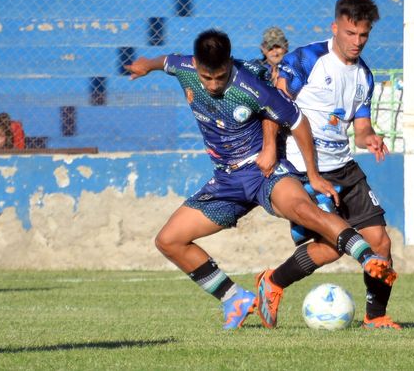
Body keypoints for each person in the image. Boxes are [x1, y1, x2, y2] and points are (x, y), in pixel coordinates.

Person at [125, 29, 396, 330]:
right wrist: (145, 65)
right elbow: (165, 61)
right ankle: (234, 299)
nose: (213, 85)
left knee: (304, 210)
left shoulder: (250, 86)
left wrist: (313, 174)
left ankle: (369, 258)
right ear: (196, 66)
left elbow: (298, 122)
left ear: (228, 63)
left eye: (219, 77)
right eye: (207, 77)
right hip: (226, 181)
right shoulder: (185, 67)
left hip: (263, 172)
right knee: (169, 240)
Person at [254, 0, 401, 330]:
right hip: (303, 166)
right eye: (350, 33)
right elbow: (274, 104)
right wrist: (269, 148)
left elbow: (360, 127)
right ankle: (274, 282)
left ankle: (375, 317)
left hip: (343, 164)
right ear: (335, 27)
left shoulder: (364, 76)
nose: (357, 42)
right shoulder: (306, 59)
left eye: (363, 35)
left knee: (381, 241)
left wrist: (371, 137)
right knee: (336, 245)